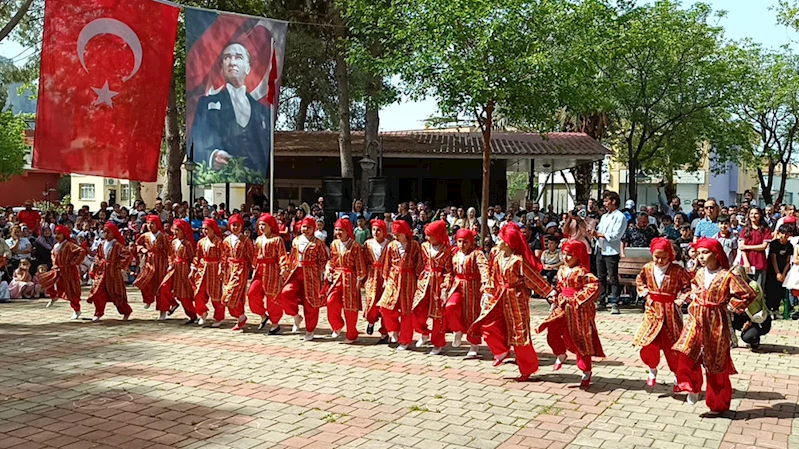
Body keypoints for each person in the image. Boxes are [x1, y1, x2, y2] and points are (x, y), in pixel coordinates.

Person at [673, 238, 756, 412]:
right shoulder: (700, 273)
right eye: (699, 253)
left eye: (706, 253)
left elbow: (747, 294)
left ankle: (718, 405)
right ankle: (691, 386)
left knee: (716, 364)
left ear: (716, 254)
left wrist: (730, 306)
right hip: (695, 319)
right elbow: (694, 289)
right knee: (685, 351)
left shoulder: (727, 275)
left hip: (716, 322)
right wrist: (687, 298)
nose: (701, 257)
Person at [473, 224, 553, 381]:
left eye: (501, 238)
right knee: (486, 322)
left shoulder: (518, 261)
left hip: (516, 298)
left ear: (508, 243)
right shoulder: (497, 257)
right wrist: (488, 292)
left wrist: (549, 293)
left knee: (519, 332)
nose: (498, 240)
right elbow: (493, 277)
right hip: (499, 296)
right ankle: (501, 350)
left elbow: (533, 279)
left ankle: (527, 368)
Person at [191, 43, 271, 174]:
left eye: (238, 57)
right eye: (227, 57)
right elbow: (196, 142)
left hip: (255, 177)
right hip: (221, 176)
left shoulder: (262, 111)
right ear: (222, 68)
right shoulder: (206, 104)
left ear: (248, 68)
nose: (232, 62)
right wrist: (212, 156)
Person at [537, 240, 603, 387]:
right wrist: (554, 295)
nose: (566, 258)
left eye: (569, 255)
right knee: (552, 329)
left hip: (578, 310)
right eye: (564, 254)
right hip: (562, 306)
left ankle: (586, 371)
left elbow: (594, 286)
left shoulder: (582, 272)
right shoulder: (561, 270)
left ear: (578, 255)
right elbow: (560, 286)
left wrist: (577, 299)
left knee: (580, 339)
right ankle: (560, 352)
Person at [633, 238, 692, 387]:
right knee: (649, 343)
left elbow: (688, 287)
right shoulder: (647, 268)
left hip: (671, 312)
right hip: (653, 310)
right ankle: (652, 370)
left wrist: (681, 299)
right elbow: (640, 281)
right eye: (656, 256)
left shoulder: (678, 270)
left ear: (670, 256)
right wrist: (646, 294)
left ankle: (677, 374)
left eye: (663, 257)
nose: (659, 260)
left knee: (672, 345)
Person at [279, 216, 329, 341]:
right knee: (286, 293)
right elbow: (292, 258)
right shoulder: (296, 240)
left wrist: (321, 272)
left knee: (310, 302)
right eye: (304, 227)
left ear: (313, 229)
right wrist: (287, 269)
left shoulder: (318, 243)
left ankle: (310, 329)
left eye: (309, 227)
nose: (306, 230)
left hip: (311, 274)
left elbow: (323, 260)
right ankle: (295, 315)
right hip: (296, 272)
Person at [443, 228, 489, 359]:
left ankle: (474, 345)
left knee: (472, 315)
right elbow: (449, 270)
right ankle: (457, 330)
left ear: (471, 242)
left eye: (465, 242)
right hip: (458, 285)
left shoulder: (477, 254)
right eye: (459, 241)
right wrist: (447, 282)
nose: (462, 245)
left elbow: (484, 267)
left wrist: (485, 281)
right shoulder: (454, 253)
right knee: (450, 306)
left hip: (473, 287)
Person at [377, 220, 423, 350]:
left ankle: (405, 340)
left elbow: (419, 264)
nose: (396, 237)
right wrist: (385, 279)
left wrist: (420, 280)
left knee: (406, 311)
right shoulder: (391, 245)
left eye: (398, 234)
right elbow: (387, 263)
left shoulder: (414, 246)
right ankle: (394, 329)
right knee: (384, 306)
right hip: (393, 278)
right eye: (394, 234)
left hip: (409, 280)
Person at [412, 220, 453, 355]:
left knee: (437, 315)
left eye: (431, 235)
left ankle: (437, 343)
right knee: (416, 308)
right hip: (424, 282)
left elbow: (448, 270)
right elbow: (420, 264)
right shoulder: (423, 246)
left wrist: (445, 286)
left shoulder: (446, 250)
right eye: (427, 235)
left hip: (438, 283)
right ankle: (423, 332)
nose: (428, 238)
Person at [324, 218, 366, 343]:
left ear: (347, 231)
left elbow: (359, 264)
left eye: (340, 230)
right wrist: (328, 269)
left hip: (350, 278)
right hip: (337, 277)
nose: (338, 232)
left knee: (350, 308)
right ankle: (337, 325)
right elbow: (332, 261)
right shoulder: (334, 244)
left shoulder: (355, 246)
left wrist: (360, 278)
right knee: (331, 301)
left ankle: (351, 334)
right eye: (336, 230)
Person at [247, 213, 288, 334]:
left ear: (270, 226)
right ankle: (262, 315)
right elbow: (255, 255)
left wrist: (283, 268)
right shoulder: (259, 239)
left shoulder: (277, 240)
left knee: (272, 296)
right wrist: (253, 266)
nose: (261, 227)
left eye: (264, 225)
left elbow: (282, 255)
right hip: (260, 270)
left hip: (272, 270)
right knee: (252, 293)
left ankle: (275, 324)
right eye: (259, 225)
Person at [86, 223, 133, 322]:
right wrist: (94, 269)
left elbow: (127, 255)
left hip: (113, 273)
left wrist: (118, 265)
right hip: (102, 272)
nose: (106, 234)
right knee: (97, 292)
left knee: (117, 293)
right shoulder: (101, 244)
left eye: (108, 232)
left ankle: (126, 311)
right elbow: (98, 257)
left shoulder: (117, 245)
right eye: (104, 232)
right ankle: (98, 312)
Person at [590, 191, 626, 312]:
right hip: (600, 249)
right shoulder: (604, 217)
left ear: (613, 201)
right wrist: (595, 234)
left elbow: (616, 234)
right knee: (601, 277)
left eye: (606, 201)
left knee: (613, 277)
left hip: (611, 251)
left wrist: (600, 234)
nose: (604, 204)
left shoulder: (620, 217)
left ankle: (615, 302)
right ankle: (601, 300)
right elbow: (599, 231)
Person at [40, 226, 85, 319]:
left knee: (71, 291)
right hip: (58, 269)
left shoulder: (69, 245)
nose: (56, 236)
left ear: (64, 235)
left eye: (59, 234)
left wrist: (73, 262)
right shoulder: (56, 245)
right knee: (47, 281)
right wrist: (55, 263)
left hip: (68, 271)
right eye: (55, 233)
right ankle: (54, 296)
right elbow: (53, 255)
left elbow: (81, 251)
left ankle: (77, 310)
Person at [158, 220, 198, 323]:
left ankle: (192, 315)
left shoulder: (187, 244)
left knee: (183, 295)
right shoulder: (173, 242)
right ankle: (173, 303)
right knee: (164, 286)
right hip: (174, 268)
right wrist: (171, 264)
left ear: (183, 231)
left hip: (184, 269)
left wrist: (192, 270)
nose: (175, 232)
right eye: (174, 230)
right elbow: (170, 255)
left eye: (178, 230)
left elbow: (193, 257)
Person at [220, 214, 255, 331]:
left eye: (238, 225)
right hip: (229, 269)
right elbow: (224, 256)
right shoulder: (226, 240)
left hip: (241, 269)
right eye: (233, 225)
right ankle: (240, 316)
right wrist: (222, 268)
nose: (235, 227)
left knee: (231, 293)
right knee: (233, 294)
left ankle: (240, 316)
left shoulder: (246, 240)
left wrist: (253, 269)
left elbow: (251, 255)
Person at [192, 218, 225, 326]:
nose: (205, 231)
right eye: (204, 229)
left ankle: (219, 318)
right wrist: (193, 269)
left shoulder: (218, 242)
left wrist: (221, 268)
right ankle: (202, 312)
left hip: (214, 270)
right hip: (203, 269)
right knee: (198, 292)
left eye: (207, 229)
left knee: (216, 295)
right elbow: (198, 256)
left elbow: (222, 257)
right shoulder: (201, 242)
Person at [133, 216, 170, 310]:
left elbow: (169, 250)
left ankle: (163, 309)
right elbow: (137, 244)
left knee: (160, 286)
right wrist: (143, 249)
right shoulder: (145, 236)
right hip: (148, 261)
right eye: (148, 223)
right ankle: (148, 300)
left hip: (161, 262)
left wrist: (169, 263)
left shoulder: (163, 236)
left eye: (152, 223)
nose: (150, 225)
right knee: (144, 281)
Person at [363, 219, 390, 343]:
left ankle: (384, 333)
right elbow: (363, 260)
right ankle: (371, 320)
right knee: (371, 300)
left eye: (378, 230)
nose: (376, 232)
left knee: (385, 304)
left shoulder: (389, 244)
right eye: (373, 229)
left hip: (386, 276)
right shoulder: (368, 244)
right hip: (372, 275)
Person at [731, 266, 771, 349]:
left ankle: (754, 339)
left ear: (743, 275)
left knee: (747, 337)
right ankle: (732, 341)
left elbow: (745, 303)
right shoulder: (732, 287)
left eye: (738, 276)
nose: (736, 279)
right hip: (744, 317)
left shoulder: (753, 286)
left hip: (759, 320)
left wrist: (748, 323)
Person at [739, 207, 773, 286]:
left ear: (760, 215)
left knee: (758, 288)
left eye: (756, 213)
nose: (753, 216)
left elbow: (764, 246)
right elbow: (742, 247)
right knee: (745, 288)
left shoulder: (765, 230)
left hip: (759, 262)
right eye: (751, 213)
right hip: (746, 262)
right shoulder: (745, 229)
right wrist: (746, 262)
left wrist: (747, 247)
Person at [766, 224, 793, 318]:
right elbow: (773, 259)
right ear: (779, 233)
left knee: (779, 291)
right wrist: (777, 273)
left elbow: (788, 261)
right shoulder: (774, 244)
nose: (784, 236)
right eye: (783, 233)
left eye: (787, 234)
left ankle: (776, 309)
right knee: (770, 290)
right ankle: (769, 309)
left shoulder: (790, 246)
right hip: (772, 271)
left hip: (783, 271)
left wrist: (783, 273)